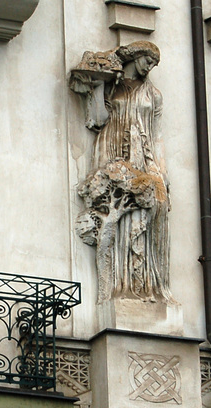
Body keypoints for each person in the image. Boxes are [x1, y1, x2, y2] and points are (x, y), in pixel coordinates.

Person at [70, 41, 172, 303]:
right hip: (112, 146)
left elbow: (157, 135)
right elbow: (98, 119)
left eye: (154, 64)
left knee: (150, 207)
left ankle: (143, 285)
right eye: (147, 60)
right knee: (117, 214)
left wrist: (161, 170)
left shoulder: (154, 94)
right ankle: (117, 286)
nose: (149, 67)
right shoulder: (113, 85)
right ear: (135, 57)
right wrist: (98, 85)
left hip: (143, 151)